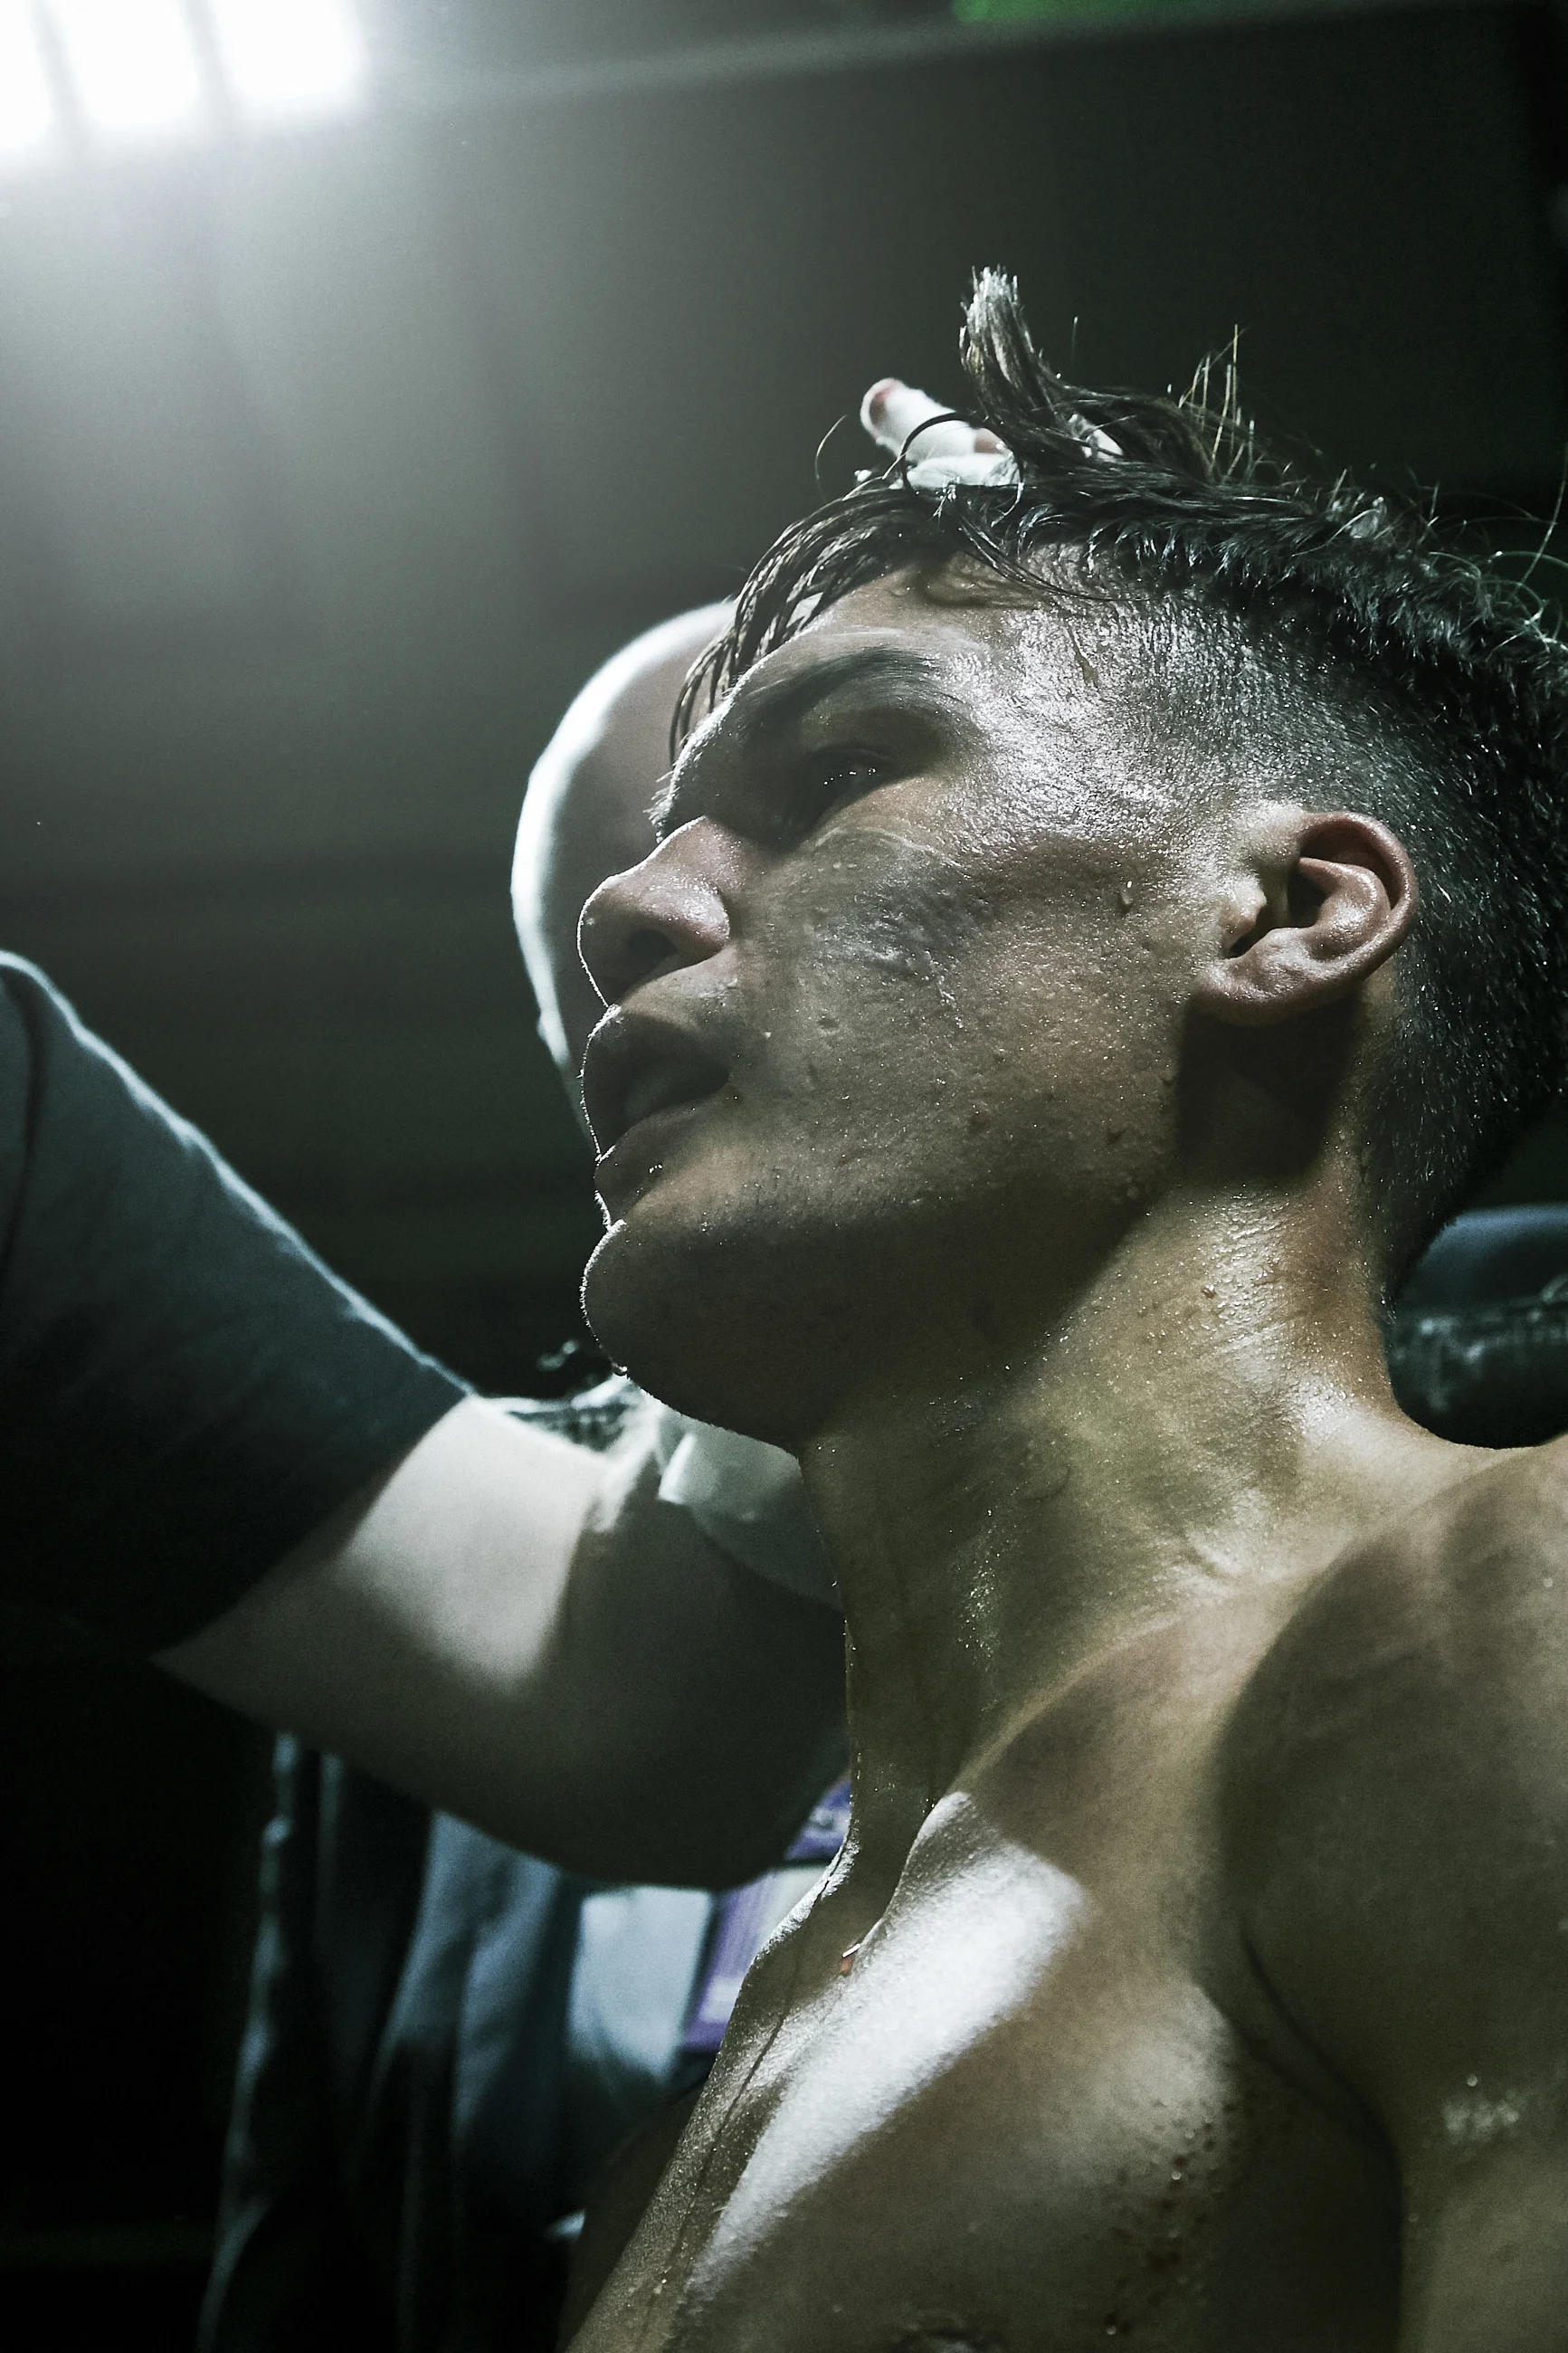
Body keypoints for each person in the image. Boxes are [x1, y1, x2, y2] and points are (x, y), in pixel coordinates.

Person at [552, 271, 1568, 2347]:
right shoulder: (767, 2017)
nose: (629, 911)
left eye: (836, 773)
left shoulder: (1513, 1625)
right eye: (667, 843)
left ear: (1283, 913)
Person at [202, 606, 841, 2353]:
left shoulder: (1482, 1448)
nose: (655, 929)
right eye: (596, 964)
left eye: (823, 794)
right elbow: (306, 2277)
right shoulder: (420, 1607)